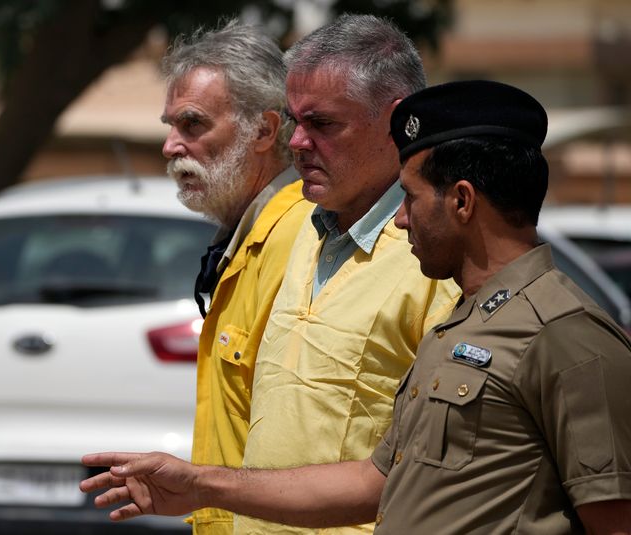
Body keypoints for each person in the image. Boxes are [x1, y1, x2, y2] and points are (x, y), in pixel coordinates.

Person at [80, 80, 631, 534]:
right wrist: (201, 485)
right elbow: (374, 483)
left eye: (411, 199)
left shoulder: (565, 334)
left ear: (461, 201)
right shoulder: (463, 324)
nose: (400, 220)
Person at [238, 14, 459, 534]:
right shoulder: (306, 230)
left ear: (399, 123)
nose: (296, 143)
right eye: (295, 122)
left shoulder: (437, 261)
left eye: (323, 124)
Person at [160, 19, 312, 535]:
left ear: (266, 131)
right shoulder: (249, 233)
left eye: (193, 125)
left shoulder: (299, 238)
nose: (171, 146)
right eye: (171, 126)